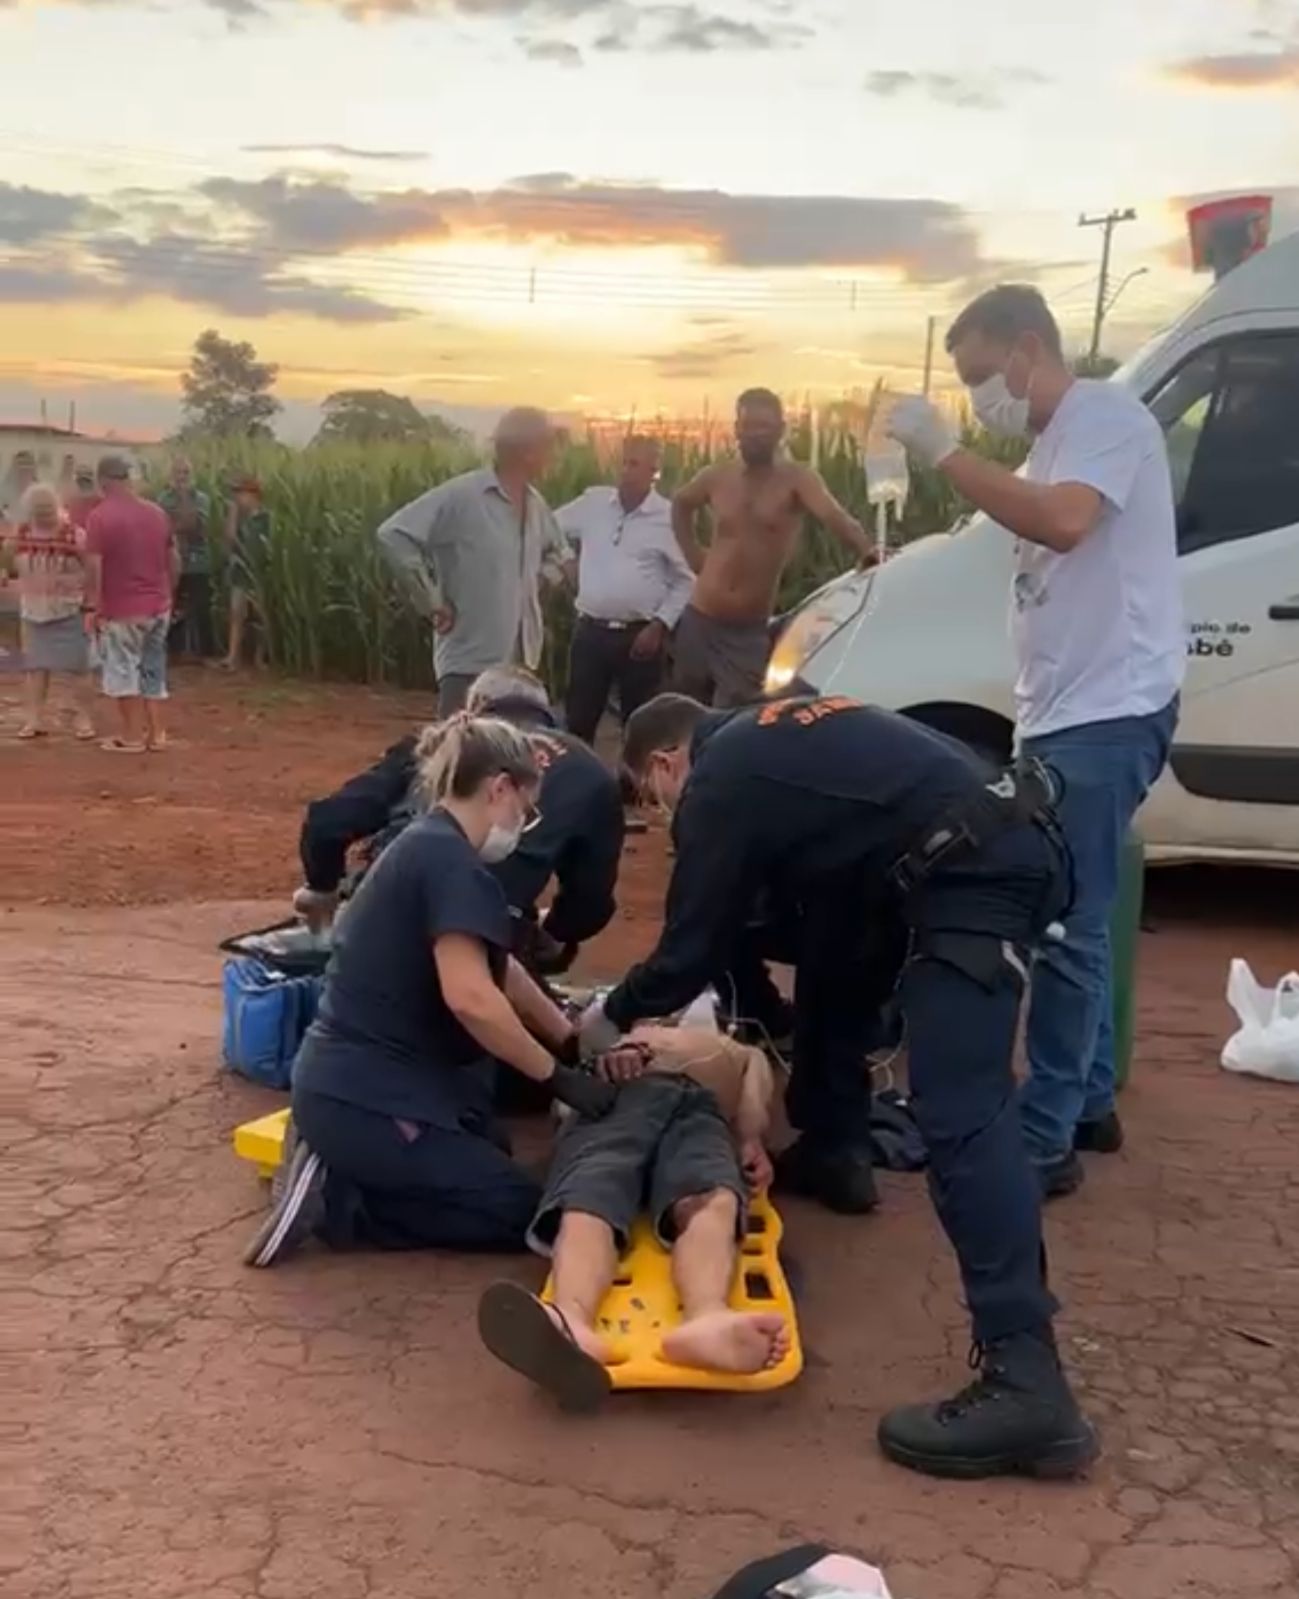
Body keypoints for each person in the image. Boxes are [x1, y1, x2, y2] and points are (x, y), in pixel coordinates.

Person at [580, 692, 1097, 1481]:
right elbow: (824, 927)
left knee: (961, 1110)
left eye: (651, 796)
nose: (663, 812)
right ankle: (834, 1147)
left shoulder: (720, 775)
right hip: (981, 839)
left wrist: (603, 1021)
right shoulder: (781, 731)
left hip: (976, 870)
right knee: (836, 955)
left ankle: (1025, 1379)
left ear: (663, 763)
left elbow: (691, 946)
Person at [887, 285, 1184, 1194]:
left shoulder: (1104, 418)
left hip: (1106, 710)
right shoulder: (1056, 442)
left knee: (1063, 921)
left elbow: (1061, 520)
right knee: (1071, 908)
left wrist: (944, 451)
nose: (980, 398)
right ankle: (1085, 1101)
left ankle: (1046, 1135)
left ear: (1026, 348)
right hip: (1065, 712)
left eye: (981, 376)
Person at [243, 714, 618, 1270]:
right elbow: (473, 998)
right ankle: (343, 1203)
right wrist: (555, 1076)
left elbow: (502, 969)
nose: (524, 822)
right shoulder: (445, 861)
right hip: (365, 1097)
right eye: (526, 809)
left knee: (494, 1146)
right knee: (522, 1211)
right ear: (500, 788)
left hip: (389, 1084)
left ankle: (363, 1168)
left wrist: (569, 1040)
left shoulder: (437, 848)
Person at [477, 1025, 789, 1409]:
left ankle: (707, 1319)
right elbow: (574, 1052)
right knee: (591, 1193)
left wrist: (751, 1139)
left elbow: (755, 1092)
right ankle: (570, 1318)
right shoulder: (619, 1022)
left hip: (704, 1110)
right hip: (618, 1099)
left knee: (715, 1197)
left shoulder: (741, 1049)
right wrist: (611, 1056)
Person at [294, 665, 625, 974]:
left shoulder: (444, 740)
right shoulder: (590, 772)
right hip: (486, 932)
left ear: (474, 707)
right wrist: (552, 933)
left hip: (378, 918)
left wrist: (322, 888)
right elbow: (590, 902)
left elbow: (328, 822)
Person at [670, 390, 874, 707]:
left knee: (736, 723)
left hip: (745, 632)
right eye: (748, 425)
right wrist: (694, 556)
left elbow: (836, 517)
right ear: (736, 428)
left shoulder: (797, 480)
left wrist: (868, 551)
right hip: (698, 619)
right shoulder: (718, 476)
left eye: (764, 426)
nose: (754, 434)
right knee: (681, 716)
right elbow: (681, 504)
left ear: (781, 429)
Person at [377, 408, 570, 716]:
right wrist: (432, 601)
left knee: (509, 755)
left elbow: (560, 553)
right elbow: (394, 534)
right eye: (549, 447)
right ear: (528, 452)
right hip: (469, 661)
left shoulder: (536, 505)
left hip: (521, 666)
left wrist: (539, 581)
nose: (553, 456)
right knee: (462, 754)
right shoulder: (463, 497)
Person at [554, 435, 693, 744]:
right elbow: (548, 527)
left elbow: (686, 579)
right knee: (578, 719)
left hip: (639, 638)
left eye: (634, 464)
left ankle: (633, 791)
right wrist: (566, 559)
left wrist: (660, 625)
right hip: (590, 632)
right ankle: (578, 785)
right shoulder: (593, 504)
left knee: (639, 727)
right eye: (622, 462)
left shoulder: (667, 519)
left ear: (654, 471)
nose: (625, 471)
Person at [84, 456, 177, 754]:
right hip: (158, 605)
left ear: (103, 481)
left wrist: (93, 606)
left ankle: (132, 737)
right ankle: (158, 735)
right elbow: (174, 559)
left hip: (122, 608)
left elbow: (94, 566)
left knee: (123, 671)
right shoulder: (157, 513)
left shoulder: (100, 517)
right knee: (153, 669)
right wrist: (168, 594)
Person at [3, 484, 96, 740]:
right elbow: (7, 559)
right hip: (33, 609)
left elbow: (91, 566)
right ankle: (33, 719)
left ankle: (82, 718)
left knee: (77, 668)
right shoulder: (20, 533)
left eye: (46, 509)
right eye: (38, 510)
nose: (43, 514)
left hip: (68, 608)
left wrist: (90, 601)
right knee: (35, 668)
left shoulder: (74, 534)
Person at [158, 459, 214, 659]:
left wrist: (181, 505)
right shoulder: (163, 498)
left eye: (186, 473)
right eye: (178, 473)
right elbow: (166, 527)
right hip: (172, 561)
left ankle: (205, 653)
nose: (182, 477)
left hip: (198, 560)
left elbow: (196, 527)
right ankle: (173, 651)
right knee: (171, 606)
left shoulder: (202, 499)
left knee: (201, 608)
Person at [222, 475, 270, 670]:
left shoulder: (265, 519)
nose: (237, 498)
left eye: (240, 493)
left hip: (259, 573)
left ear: (253, 495)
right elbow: (229, 542)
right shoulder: (239, 519)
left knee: (260, 616)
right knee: (236, 613)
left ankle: (260, 657)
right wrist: (232, 516)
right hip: (240, 573)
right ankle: (233, 656)